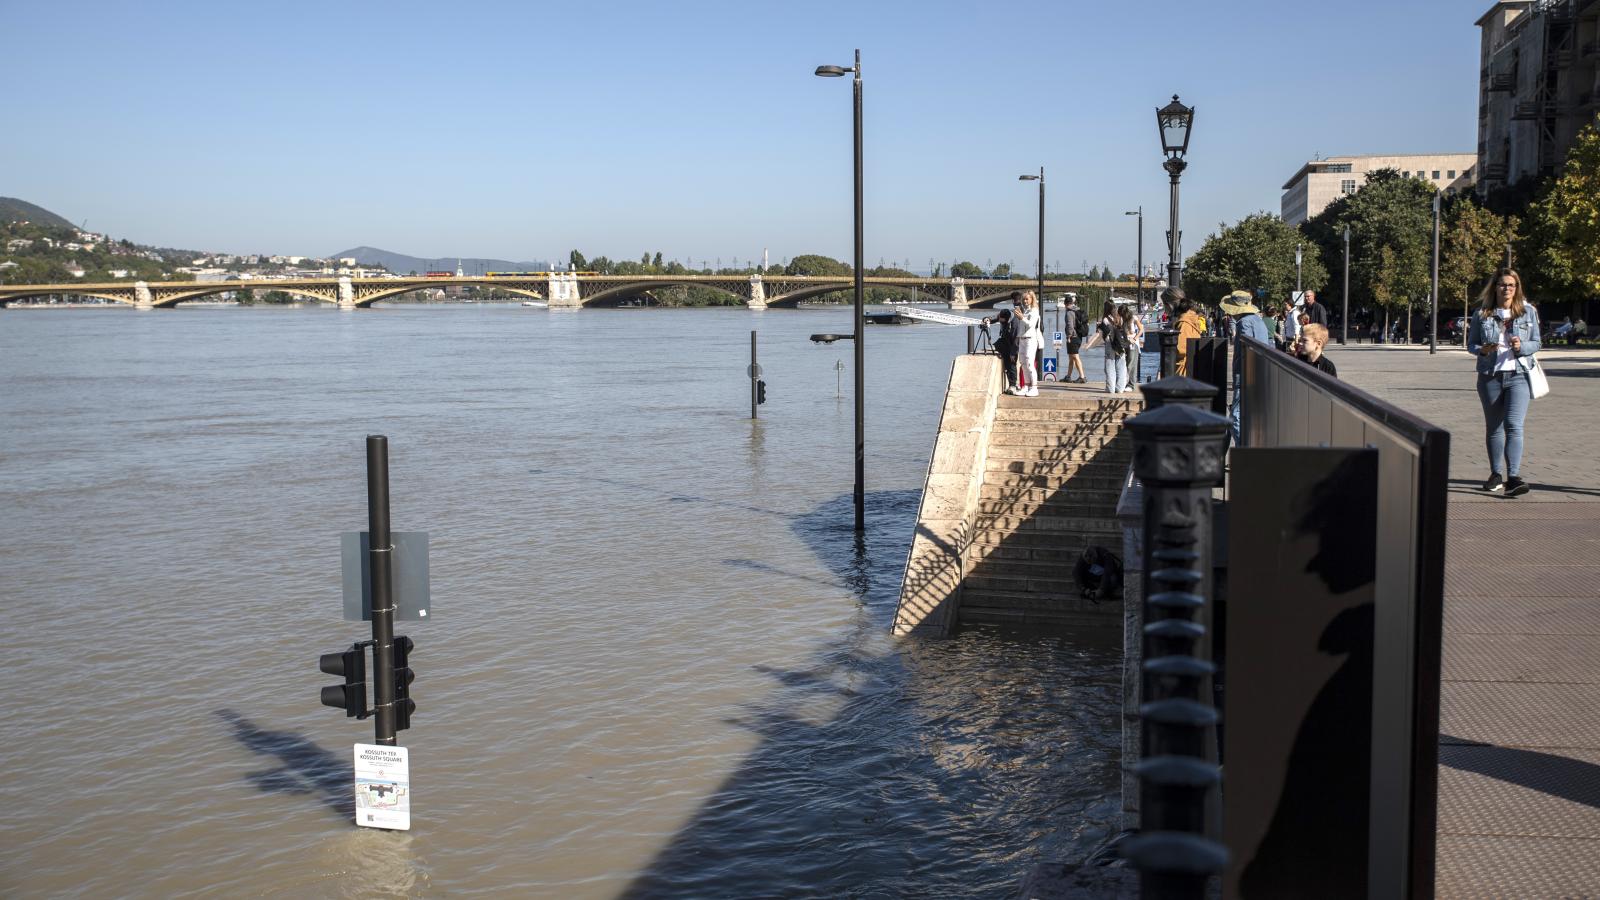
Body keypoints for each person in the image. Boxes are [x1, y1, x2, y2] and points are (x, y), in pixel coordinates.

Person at [1467, 268, 1541, 497]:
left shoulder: (1527, 312)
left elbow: (1537, 342)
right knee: (1494, 428)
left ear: (1517, 288)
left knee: (1513, 425)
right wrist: (1483, 350)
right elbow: (1471, 344)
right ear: (1495, 287)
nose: (1507, 288)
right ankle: (1496, 474)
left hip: (1519, 375)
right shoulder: (1482, 314)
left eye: (1511, 285)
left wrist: (1523, 347)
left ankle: (1514, 477)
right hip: (1490, 376)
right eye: (1502, 284)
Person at [1220, 290, 1274, 445]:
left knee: (1236, 416)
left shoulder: (1244, 323)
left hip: (1245, 374)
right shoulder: (1258, 320)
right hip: (1258, 372)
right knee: (1247, 415)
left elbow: (1247, 348)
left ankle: (1243, 449)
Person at [1012, 291, 1042, 397]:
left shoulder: (1034, 311)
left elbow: (1030, 324)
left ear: (1032, 299)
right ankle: (1026, 386)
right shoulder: (1025, 310)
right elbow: (1021, 326)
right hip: (1023, 339)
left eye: (1027, 299)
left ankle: (1034, 387)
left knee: (1029, 363)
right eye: (1024, 299)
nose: (1025, 301)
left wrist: (1021, 317)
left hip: (1030, 339)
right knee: (1023, 363)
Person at [1097, 304, 1129, 393]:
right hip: (1120, 345)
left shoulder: (1105, 319)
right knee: (1121, 366)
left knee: (1110, 366)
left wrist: (1100, 326)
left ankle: (1110, 388)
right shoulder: (1121, 318)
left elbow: (1103, 334)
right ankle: (1120, 388)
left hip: (1110, 344)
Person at [1172, 295, 1206, 376]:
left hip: (1183, 367)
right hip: (1191, 364)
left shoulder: (1184, 323)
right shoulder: (1193, 321)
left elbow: (1181, 348)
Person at [988, 308, 1017, 390]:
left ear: (1007, 319)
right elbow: (994, 319)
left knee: (1011, 364)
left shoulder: (1015, 323)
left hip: (1013, 344)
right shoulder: (1002, 315)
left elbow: (1016, 339)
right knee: (995, 347)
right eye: (1000, 320)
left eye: (1002, 321)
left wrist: (1013, 352)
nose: (1000, 321)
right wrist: (987, 319)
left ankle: (1013, 385)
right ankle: (1011, 385)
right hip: (1004, 341)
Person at [1064, 295, 1087, 384]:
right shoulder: (1077, 310)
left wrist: (1069, 336)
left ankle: (1082, 376)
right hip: (1079, 336)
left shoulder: (1069, 312)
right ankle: (1068, 376)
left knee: (1075, 356)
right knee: (1071, 357)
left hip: (1073, 337)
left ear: (1065, 303)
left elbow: (1070, 325)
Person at [1123, 304, 1145, 390]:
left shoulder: (1133, 318)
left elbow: (1141, 329)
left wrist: (1135, 338)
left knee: (1131, 364)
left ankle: (1131, 384)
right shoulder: (1122, 319)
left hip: (1133, 342)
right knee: (1125, 363)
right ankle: (1125, 382)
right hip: (1125, 342)